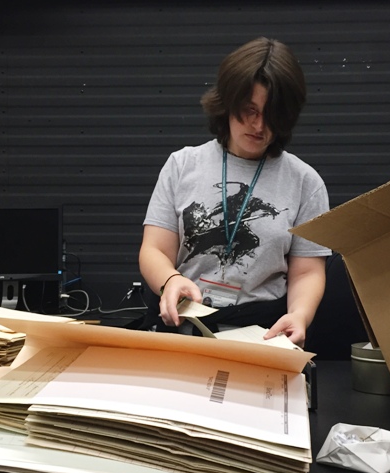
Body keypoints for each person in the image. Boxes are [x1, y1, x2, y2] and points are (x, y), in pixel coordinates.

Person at [138, 37, 331, 347]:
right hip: (183, 330)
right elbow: (154, 250)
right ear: (226, 103)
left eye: (272, 115)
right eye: (249, 110)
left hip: (262, 336)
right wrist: (171, 280)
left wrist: (300, 314)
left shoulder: (305, 183)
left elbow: (308, 271)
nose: (259, 125)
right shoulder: (182, 164)